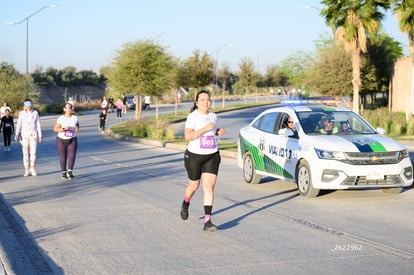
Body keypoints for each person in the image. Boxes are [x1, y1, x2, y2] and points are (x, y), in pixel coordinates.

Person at [180, 90, 225, 232]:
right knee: (194, 186)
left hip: (212, 155)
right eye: (203, 99)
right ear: (197, 102)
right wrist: (205, 128)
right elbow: (188, 136)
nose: (206, 102)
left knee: (209, 187)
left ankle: (207, 221)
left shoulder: (213, 116)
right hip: (195, 156)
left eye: (208, 99)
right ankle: (186, 203)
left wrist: (218, 132)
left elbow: (212, 132)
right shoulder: (193, 117)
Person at [14, 99, 43, 176]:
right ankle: (26, 169)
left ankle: (32, 167)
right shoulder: (21, 113)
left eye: (30, 106)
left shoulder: (35, 113)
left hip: (33, 134)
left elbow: (38, 125)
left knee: (33, 152)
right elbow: (19, 124)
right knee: (25, 153)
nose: (29, 107)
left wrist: (40, 135)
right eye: (27, 106)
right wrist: (17, 134)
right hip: (24, 135)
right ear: (25, 106)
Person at [53, 102, 79, 180]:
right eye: (67, 107)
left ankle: (70, 171)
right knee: (63, 157)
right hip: (61, 139)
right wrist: (64, 129)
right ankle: (63, 172)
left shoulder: (75, 118)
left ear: (71, 109)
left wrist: (77, 128)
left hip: (72, 138)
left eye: (70, 107)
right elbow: (55, 129)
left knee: (72, 156)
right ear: (64, 109)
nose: (68, 109)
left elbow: (77, 124)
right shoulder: (61, 118)